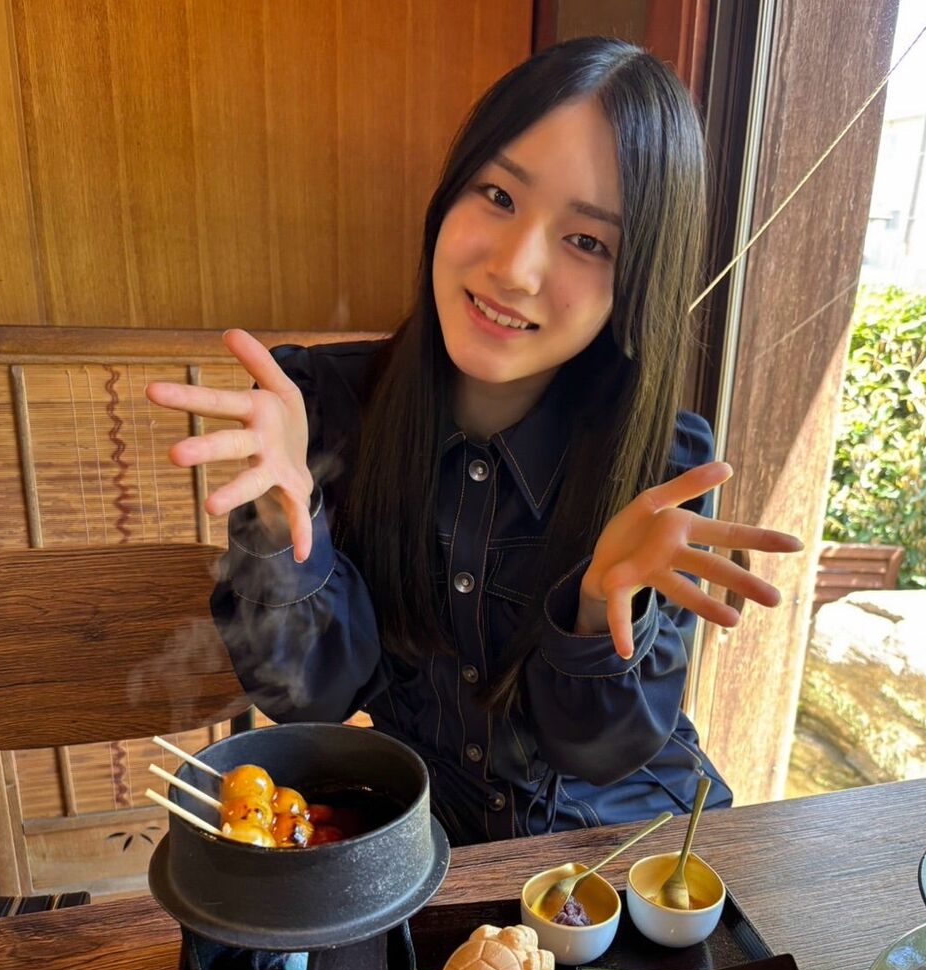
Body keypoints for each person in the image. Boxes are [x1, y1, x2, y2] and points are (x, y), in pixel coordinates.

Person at [147, 37, 801, 846]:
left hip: (622, 849)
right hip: (429, 842)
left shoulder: (658, 466)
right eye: (497, 195)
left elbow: (603, 753)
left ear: (634, 282)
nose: (515, 268)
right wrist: (286, 524)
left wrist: (596, 610)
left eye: (587, 241)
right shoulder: (321, 410)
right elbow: (312, 699)